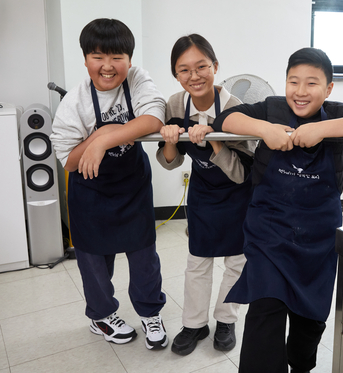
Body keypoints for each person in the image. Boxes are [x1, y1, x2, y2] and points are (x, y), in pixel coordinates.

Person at [212, 47, 343, 373]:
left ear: (328, 89)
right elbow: (225, 118)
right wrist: (263, 129)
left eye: (312, 83)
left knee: (309, 320)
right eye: (293, 81)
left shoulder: (337, 113)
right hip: (270, 233)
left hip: (317, 239)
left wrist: (322, 130)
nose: (301, 90)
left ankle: (301, 364)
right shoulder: (270, 108)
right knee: (264, 308)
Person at [50, 18, 167, 350]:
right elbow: (70, 160)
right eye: (98, 56)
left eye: (117, 57)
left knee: (145, 257)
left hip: (132, 188)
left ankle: (150, 311)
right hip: (91, 192)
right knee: (95, 262)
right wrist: (100, 137)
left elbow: (153, 117)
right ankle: (101, 315)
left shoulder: (137, 79)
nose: (107, 66)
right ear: (85, 58)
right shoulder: (74, 103)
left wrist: (101, 139)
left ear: (129, 60)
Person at [155, 34, 254, 356]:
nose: (194, 76)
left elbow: (241, 172)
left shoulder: (236, 109)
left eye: (201, 66)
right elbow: (171, 163)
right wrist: (170, 139)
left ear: (215, 67)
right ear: (175, 74)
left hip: (238, 195)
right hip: (202, 195)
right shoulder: (174, 105)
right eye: (184, 70)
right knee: (197, 261)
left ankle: (226, 319)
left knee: (236, 262)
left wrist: (215, 140)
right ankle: (194, 324)